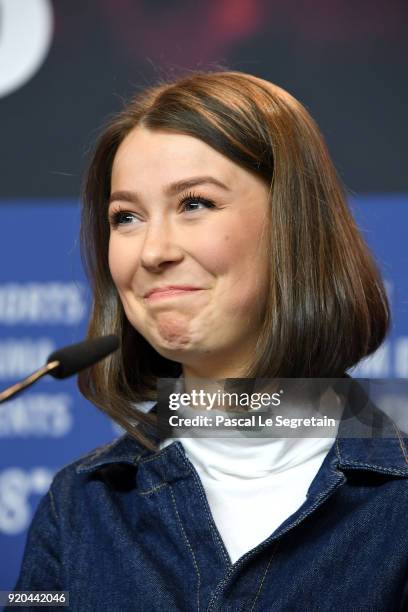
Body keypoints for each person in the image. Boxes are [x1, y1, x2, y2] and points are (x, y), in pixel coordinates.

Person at [10, 70, 408, 611]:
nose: (152, 252)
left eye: (194, 203)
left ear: (294, 223)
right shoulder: (77, 506)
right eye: (126, 217)